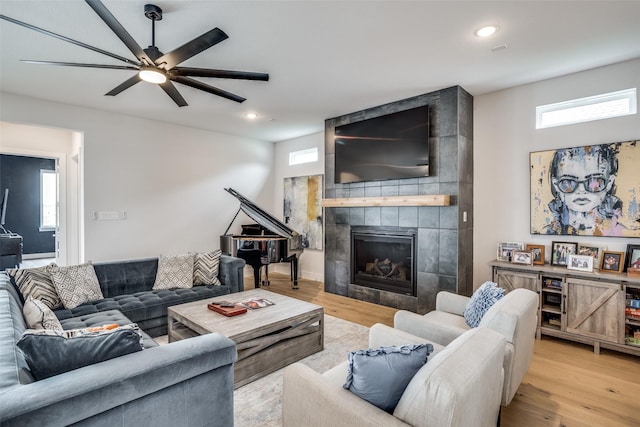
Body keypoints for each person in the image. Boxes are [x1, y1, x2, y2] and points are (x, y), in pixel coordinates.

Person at [545, 144, 624, 236]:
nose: (581, 190)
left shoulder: (618, 231)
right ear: (556, 185)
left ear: (609, 183)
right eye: (568, 182)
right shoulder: (549, 231)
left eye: (594, 182)